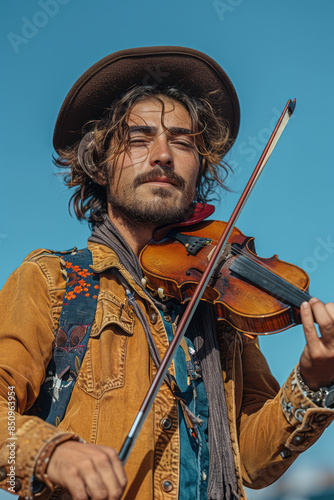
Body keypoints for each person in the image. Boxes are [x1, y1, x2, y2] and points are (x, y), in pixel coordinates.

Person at [0, 46, 333, 500]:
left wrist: (315, 380)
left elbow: (253, 463)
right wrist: (50, 453)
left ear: (200, 166)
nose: (162, 155)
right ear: (101, 162)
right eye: (139, 138)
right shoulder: (53, 282)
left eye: (182, 141)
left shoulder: (220, 305)